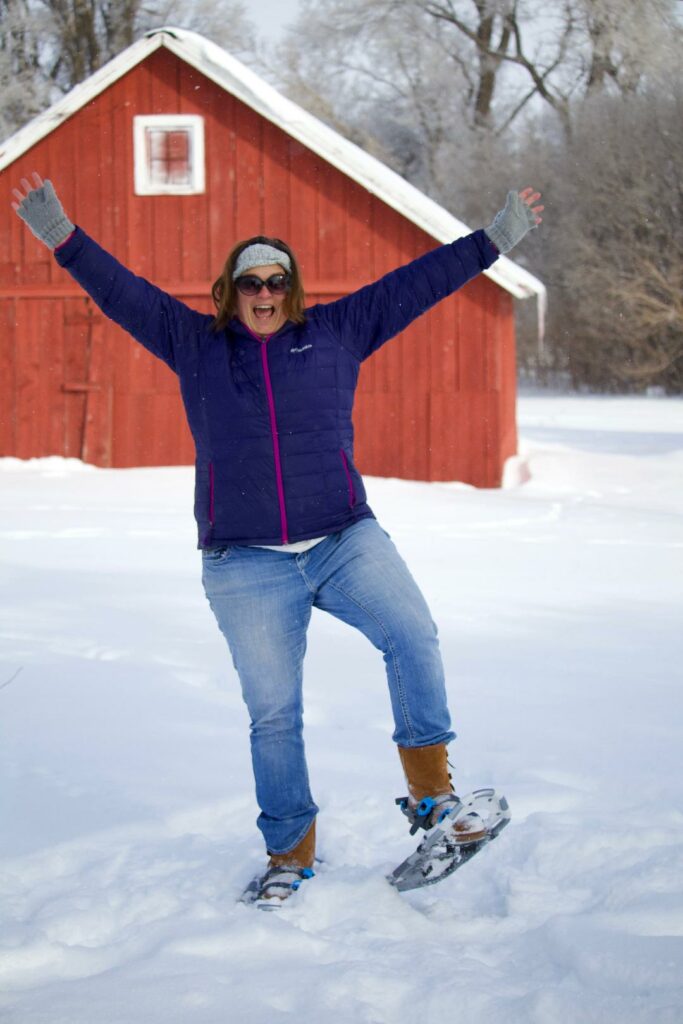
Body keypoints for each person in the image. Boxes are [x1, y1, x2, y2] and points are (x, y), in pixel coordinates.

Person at [12, 173, 543, 904]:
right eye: (249, 282)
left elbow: (414, 283)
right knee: (273, 713)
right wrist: (63, 239)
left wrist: (491, 242)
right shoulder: (193, 344)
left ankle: (433, 804)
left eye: (275, 280)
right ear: (228, 292)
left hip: (343, 540)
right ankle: (288, 855)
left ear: (291, 289)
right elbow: (122, 291)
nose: (262, 293)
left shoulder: (336, 332)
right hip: (245, 562)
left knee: (412, 634)